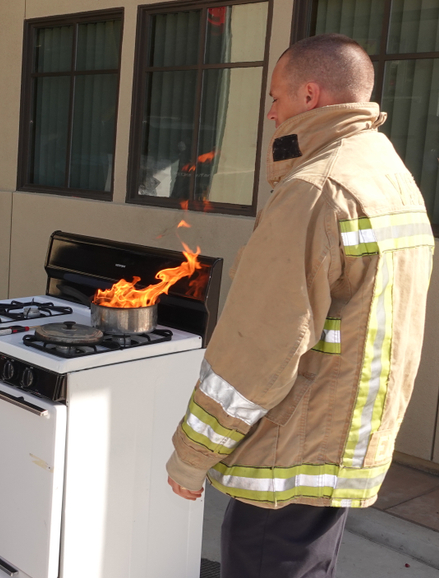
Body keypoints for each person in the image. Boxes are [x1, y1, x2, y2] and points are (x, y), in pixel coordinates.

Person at [166, 34, 434, 578]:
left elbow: (259, 348)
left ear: (310, 95)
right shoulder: (388, 173)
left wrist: (191, 456)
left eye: (276, 98)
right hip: (339, 451)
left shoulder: (316, 190)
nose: (271, 113)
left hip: (288, 453)